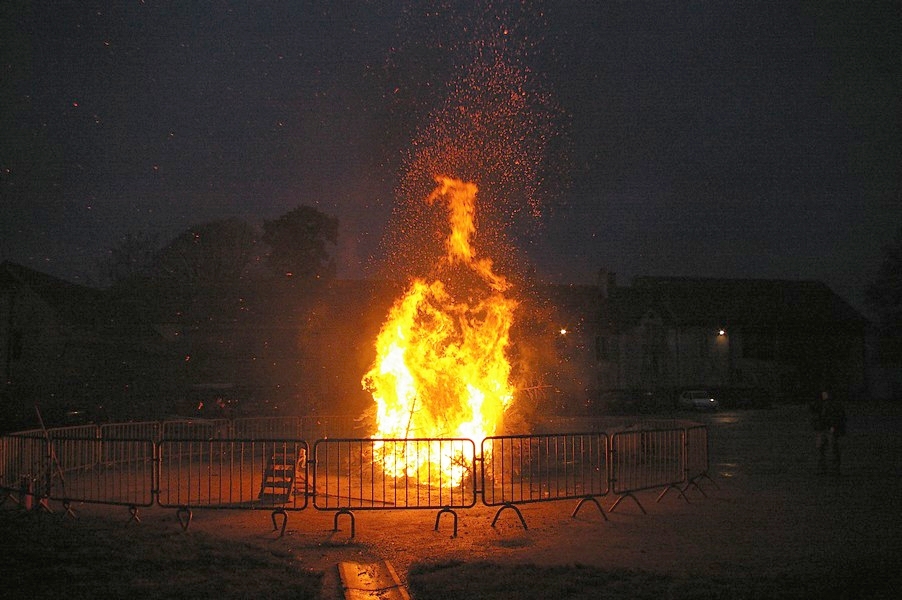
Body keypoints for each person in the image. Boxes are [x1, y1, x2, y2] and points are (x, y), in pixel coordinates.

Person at [809, 390, 846, 475]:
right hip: (822, 428)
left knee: (832, 448)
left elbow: (838, 415)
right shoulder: (821, 403)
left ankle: (834, 469)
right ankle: (822, 468)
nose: (824, 395)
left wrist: (834, 426)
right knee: (821, 448)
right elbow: (815, 413)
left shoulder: (834, 404)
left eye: (826, 393)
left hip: (829, 428)